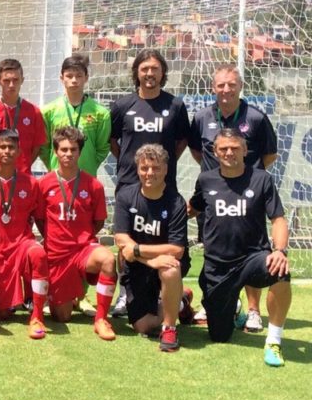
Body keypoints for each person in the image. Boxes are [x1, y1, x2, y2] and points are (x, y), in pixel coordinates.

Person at [188, 129, 291, 367]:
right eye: (223, 148)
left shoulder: (262, 179)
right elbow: (191, 208)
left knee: (280, 271)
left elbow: (278, 219)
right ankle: (232, 307)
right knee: (219, 336)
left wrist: (279, 250)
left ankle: (274, 341)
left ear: (245, 150)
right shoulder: (206, 180)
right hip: (217, 266)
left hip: (253, 257)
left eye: (235, 148)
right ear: (215, 152)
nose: (229, 152)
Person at [189, 64, 279, 331]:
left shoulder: (256, 118)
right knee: (213, 250)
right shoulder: (202, 117)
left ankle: (253, 310)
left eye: (231, 84)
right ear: (213, 88)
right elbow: (197, 151)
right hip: (214, 197)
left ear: (240, 86)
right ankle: (223, 302)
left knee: (252, 251)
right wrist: (217, 175)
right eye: (221, 85)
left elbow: (269, 156)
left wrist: (246, 177)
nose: (226, 90)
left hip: (246, 198)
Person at [108, 49, 189, 317]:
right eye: (144, 69)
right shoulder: (122, 106)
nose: (149, 73)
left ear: (163, 73)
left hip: (162, 187)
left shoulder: (175, 106)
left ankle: (167, 291)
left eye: (154, 69)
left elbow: (180, 142)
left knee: (161, 237)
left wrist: (159, 169)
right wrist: (134, 165)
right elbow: (113, 141)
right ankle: (125, 293)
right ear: (137, 73)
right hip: (130, 184)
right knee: (125, 241)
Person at [34, 126, 117, 340]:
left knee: (108, 259)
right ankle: (70, 295)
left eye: (73, 149)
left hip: (82, 250)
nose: (68, 154)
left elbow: (98, 221)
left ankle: (101, 319)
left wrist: (81, 237)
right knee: (61, 317)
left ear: (80, 152)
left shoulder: (94, 185)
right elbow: (41, 220)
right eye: (63, 149)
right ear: (55, 152)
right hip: (56, 254)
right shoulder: (43, 184)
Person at [0, 129, 48, 339]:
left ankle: (37, 315)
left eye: (11, 147)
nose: (7, 151)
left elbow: (38, 216)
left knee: (38, 253)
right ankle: (12, 300)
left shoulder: (31, 183)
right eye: (2, 147)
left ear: (19, 151)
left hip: (22, 244)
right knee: (0, 315)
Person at [113, 144, 189, 352]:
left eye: (155, 168)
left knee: (171, 267)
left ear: (166, 169)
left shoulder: (176, 202)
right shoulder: (126, 195)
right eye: (144, 168)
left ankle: (170, 328)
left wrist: (137, 250)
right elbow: (121, 239)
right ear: (137, 169)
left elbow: (176, 249)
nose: (149, 173)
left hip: (164, 262)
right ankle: (179, 302)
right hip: (138, 265)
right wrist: (148, 259)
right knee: (143, 326)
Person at [39, 54, 111, 178]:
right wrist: (53, 165)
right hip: (57, 177)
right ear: (61, 78)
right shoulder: (47, 111)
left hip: (86, 177)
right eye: (69, 76)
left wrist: (89, 164)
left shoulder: (101, 113)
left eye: (79, 76)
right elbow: (44, 147)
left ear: (86, 78)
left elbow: (103, 148)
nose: (74, 80)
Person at [0, 58, 46, 175]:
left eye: (15, 80)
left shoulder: (34, 112)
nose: (11, 85)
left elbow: (37, 147)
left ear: (22, 80)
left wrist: (24, 167)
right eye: (6, 80)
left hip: (22, 177)